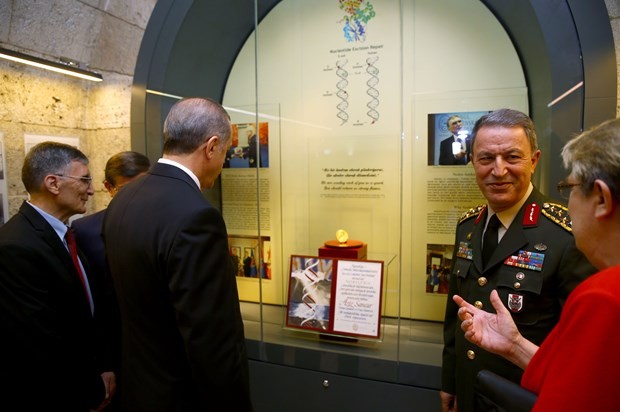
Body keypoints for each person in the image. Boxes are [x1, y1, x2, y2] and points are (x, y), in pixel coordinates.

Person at [453, 116, 620, 410]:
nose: (499, 170)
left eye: (571, 188)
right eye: (486, 158)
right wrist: (515, 346)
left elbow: (577, 392)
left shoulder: (604, 296)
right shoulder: (468, 224)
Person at [102, 97, 253, 411]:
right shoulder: (196, 215)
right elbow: (210, 339)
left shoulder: (124, 198)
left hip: (140, 389)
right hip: (182, 397)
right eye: (225, 153)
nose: (223, 164)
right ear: (211, 147)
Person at [0, 141, 115, 411]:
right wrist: (91, 389)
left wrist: (104, 367)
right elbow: (40, 341)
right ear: (53, 183)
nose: (91, 188)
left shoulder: (63, 235)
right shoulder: (15, 246)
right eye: (84, 179)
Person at [72, 150, 150, 411]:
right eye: (126, 190)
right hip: (111, 347)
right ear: (108, 187)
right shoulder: (84, 231)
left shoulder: (161, 225)